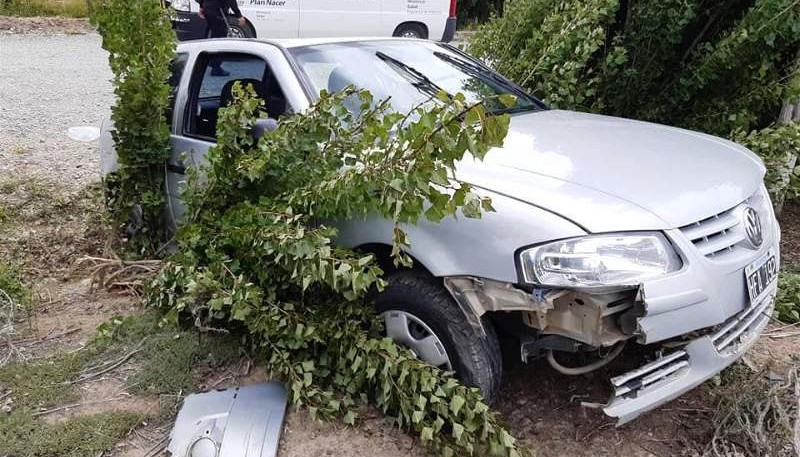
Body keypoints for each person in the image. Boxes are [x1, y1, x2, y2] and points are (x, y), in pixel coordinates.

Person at [196, 0, 246, 76]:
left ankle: (205, 63)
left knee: (210, 37)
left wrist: (202, 6)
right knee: (219, 39)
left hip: (208, 8)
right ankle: (216, 67)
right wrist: (239, 15)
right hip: (219, 11)